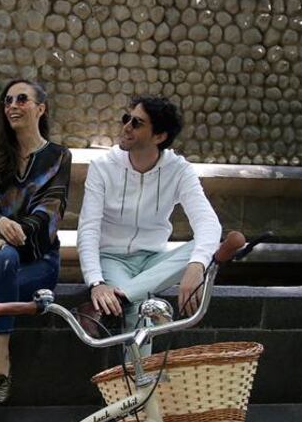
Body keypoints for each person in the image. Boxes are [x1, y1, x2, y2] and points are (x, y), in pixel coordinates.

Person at [0, 79, 72, 422]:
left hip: (39, 266)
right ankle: (2, 359)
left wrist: (3, 234)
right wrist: (0, 226)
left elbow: (48, 216)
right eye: (7, 100)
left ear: (41, 108)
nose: (13, 105)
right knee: (3, 257)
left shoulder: (58, 157)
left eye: (22, 99)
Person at [77, 95, 221, 343]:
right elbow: (88, 228)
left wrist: (196, 266)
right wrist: (96, 283)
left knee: (208, 248)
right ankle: (141, 380)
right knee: (141, 312)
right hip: (112, 260)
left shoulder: (179, 170)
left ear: (159, 136)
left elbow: (208, 223)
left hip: (154, 261)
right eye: (127, 118)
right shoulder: (103, 166)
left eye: (137, 123)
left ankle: (117, 299)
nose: (126, 127)